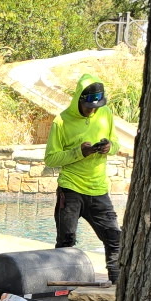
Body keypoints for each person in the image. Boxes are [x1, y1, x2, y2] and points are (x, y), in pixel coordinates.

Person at [43, 73, 121, 282]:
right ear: (79, 99)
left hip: (98, 188)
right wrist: (79, 152)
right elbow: (50, 158)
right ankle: (62, 289)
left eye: (96, 106)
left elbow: (116, 143)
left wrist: (109, 147)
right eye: (89, 107)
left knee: (114, 238)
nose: (93, 110)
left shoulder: (105, 114)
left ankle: (118, 285)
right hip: (71, 189)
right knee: (66, 240)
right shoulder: (62, 121)